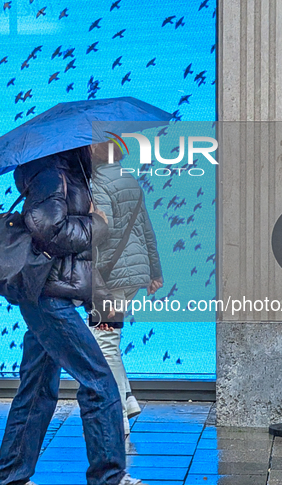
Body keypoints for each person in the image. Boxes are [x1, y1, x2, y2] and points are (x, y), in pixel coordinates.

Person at [0, 146, 148, 485]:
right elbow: (48, 228)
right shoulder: (52, 173)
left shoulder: (75, 174)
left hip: (54, 291)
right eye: (102, 141)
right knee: (98, 380)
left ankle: (9, 476)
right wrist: (97, 224)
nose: (111, 149)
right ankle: (110, 477)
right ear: (84, 142)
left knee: (36, 388)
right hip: (46, 295)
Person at [90, 142, 164, 436]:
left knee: (103, 344)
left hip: (111, 279)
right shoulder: (129, 178)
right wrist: (154, 272)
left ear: (95, 152)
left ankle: (117, 415)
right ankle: (129, 399)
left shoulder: (98, 182)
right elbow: (146, 228)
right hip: (133, 275)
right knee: (110, 341)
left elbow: (101, 230)